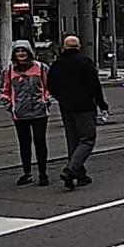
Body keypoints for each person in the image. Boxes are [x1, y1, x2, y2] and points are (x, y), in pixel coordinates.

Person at [46, 36, 108, 189]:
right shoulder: (85, 63)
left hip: (66, 107)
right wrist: (102, 104)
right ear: (79, 47)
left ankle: (79, 175)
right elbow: (95, 86)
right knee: (87, 139)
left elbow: (50, 85)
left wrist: (61, 98)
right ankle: (71, 169)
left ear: (63, 47)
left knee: (72, 141)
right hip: (85, 106)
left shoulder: (57, 65)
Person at [0, 40, 52, 186]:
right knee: (24, 143)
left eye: (23, 51)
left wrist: (46, 100)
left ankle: (42, 173)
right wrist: (9, 105)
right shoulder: (9, 70)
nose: (21, 53)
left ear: (29, 52)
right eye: (18, 51)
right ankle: (27, 172)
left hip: (39, 112)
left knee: (40, 142)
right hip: (20, 113)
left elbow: (48, 86)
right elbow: (5, 90)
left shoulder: (41, 68)